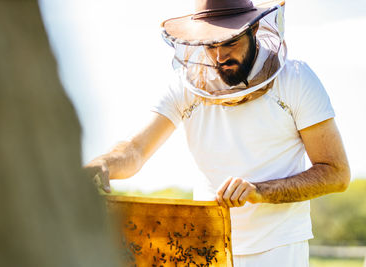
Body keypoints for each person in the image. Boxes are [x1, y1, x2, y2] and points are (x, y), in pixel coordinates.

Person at [85, 0, 350, 266]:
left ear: (254, 28)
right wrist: (102, 165)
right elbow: (135, 149)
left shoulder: (296, 79)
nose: (220, 57)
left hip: (279, 248)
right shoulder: (185, 87)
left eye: (230, 42)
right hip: (204, 243)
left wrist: (259, 191)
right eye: (211, 45)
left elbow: (336, 172)